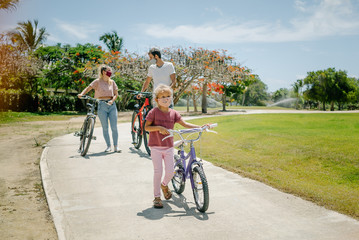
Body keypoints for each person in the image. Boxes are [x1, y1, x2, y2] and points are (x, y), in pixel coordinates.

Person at [145, 84, 209, 208]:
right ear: (157, 99)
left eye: (168, 96)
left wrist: (199, 127)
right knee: (158, 172)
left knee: (170, 172)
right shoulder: (154, 112)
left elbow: (184, 124)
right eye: (162, 96)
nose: (166, 98)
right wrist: (158, 128)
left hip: (168, 147)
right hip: (155, 147)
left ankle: (164, 185)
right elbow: (147, 127)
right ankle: (157, 197)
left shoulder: (173, 113)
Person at [78, 65, 121, 153]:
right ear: (103, 72)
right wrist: (81, 94)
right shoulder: (97, 81)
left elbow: (116, 94)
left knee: (114, 127)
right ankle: (108, 146)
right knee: (105, 127)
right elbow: (88, 88)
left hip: (112, 105)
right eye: (108, 71)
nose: (110, 72)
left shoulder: (112, 82)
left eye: (110, 70)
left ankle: (116, 146)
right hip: (102, 105)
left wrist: (112, 101)